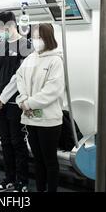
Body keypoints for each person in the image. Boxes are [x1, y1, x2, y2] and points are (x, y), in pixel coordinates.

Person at [15, 23, 64, 192]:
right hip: (30, 118)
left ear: (48, 38)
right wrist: (22, 100)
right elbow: (19, 78)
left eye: (39, 37)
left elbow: (52, 90)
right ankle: (40, 189)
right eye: (34, 37)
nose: (36, 41)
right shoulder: (31, 58)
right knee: (37, 159)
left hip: (49, 121)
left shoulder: (56, 60)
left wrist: (28, 103)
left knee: (49, 161)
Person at [0, 12, 32, 192]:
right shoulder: (0, 46)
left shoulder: (25, 45)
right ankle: (9, 178)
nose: (0, 32)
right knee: (5, 141)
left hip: (15, 103)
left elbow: (19, 76)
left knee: (17, 142)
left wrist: (4, 97)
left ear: (12, 25)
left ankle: (21, 181)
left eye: (2, 28)